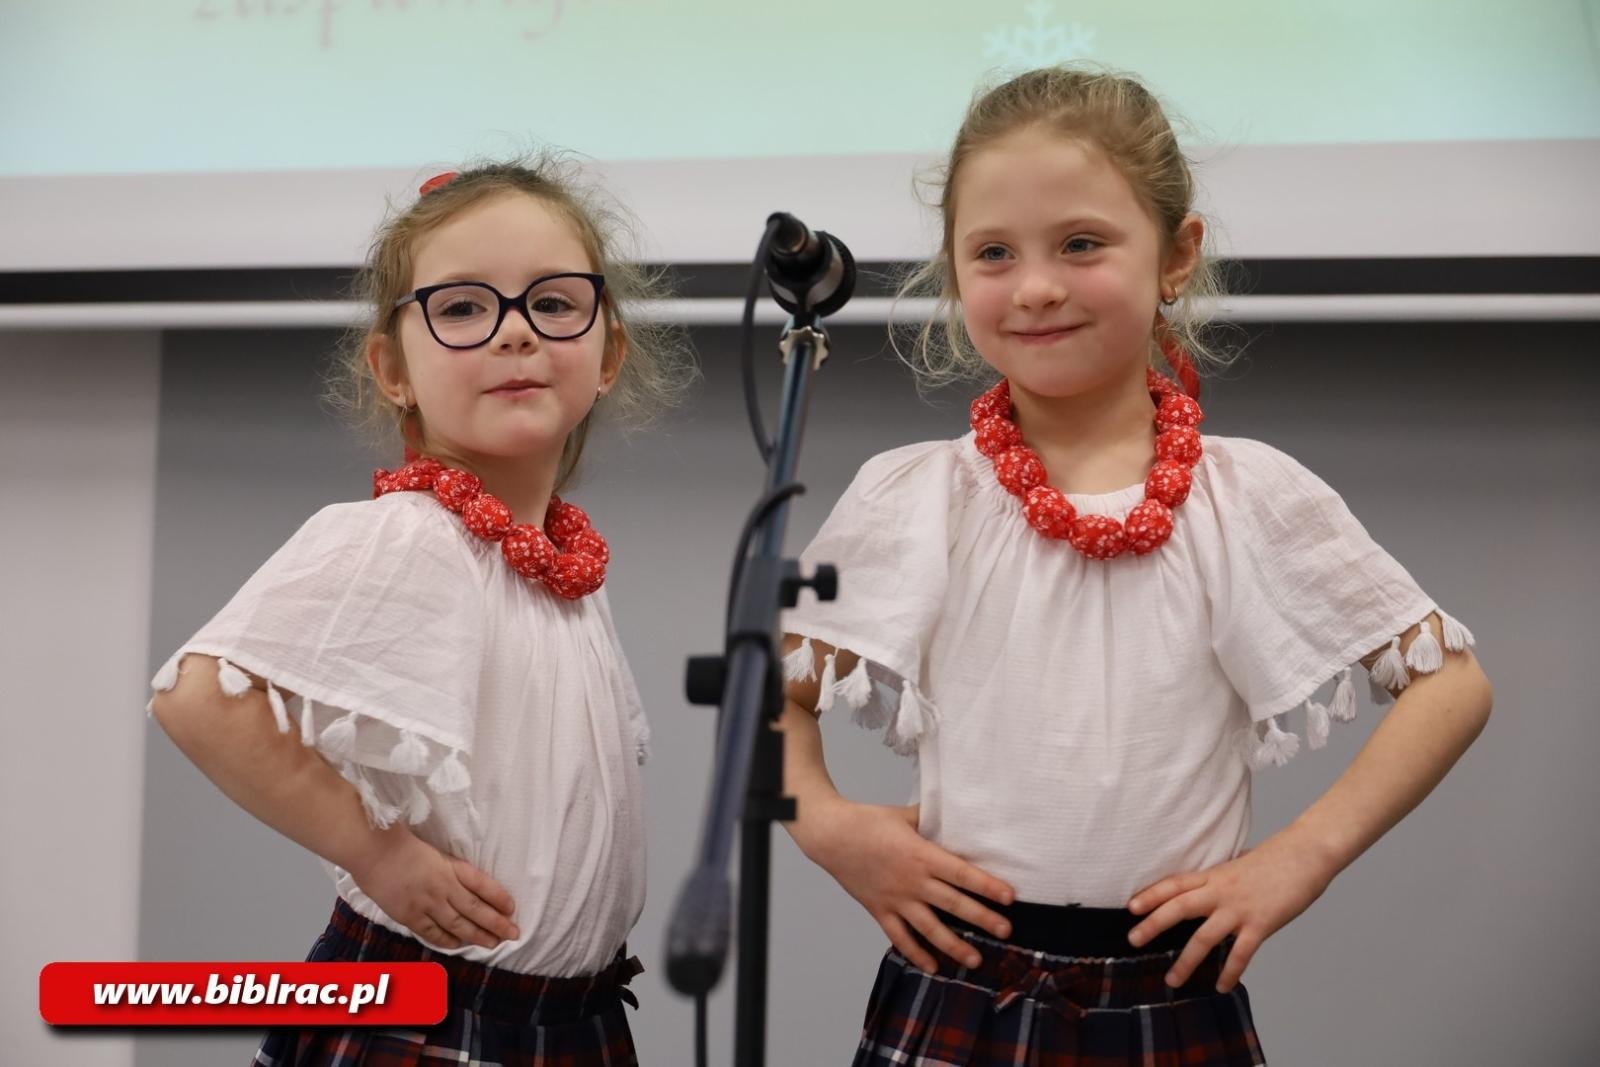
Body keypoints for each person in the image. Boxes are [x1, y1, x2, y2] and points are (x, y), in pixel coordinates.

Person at [777, 67, 1493, 1065]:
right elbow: (766, 696)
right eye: (992, 252)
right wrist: (826, 825)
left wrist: (1300, 856)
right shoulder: (918, 497)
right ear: (952, 269)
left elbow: (1449, 685)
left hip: (1169, 993)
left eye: (1080, 243)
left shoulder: (1249, 494)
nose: (1034, 285)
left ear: (1176, 254)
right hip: (955, 985)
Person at [148, 158, 692, 1066]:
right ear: (392, 368)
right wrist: (381, 854)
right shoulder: (408, 535)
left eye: (554, 304)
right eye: (463, 308)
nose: (513, 334)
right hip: (430, 1016)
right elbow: (198, 697)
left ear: (609, 354)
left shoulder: (556, 569)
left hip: (570, 1023)